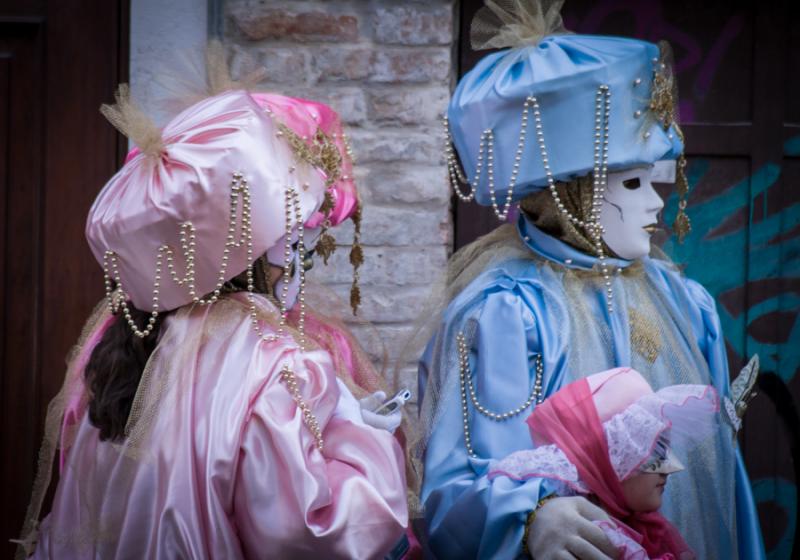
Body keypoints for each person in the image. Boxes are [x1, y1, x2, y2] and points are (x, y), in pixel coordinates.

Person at [409, 1, 765, 558]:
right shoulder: (507, 313)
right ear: (567, 191)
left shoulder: (682, 301)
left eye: (656, 180)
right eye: (629, 184)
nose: (655, 204)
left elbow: (717, 477)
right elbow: (460, 478)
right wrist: (529, 518)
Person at [16, 85, 408, 559]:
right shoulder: (277, 359)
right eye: (294, 236)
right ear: (260, 241)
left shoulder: (134, 340)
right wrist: (356, 434)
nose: (300, 254)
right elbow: (311, 534)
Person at [490, 367, 720, 559]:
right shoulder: (588, 534)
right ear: (605, 460)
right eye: (651, 451)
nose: (671, 468)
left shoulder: (652, 531)